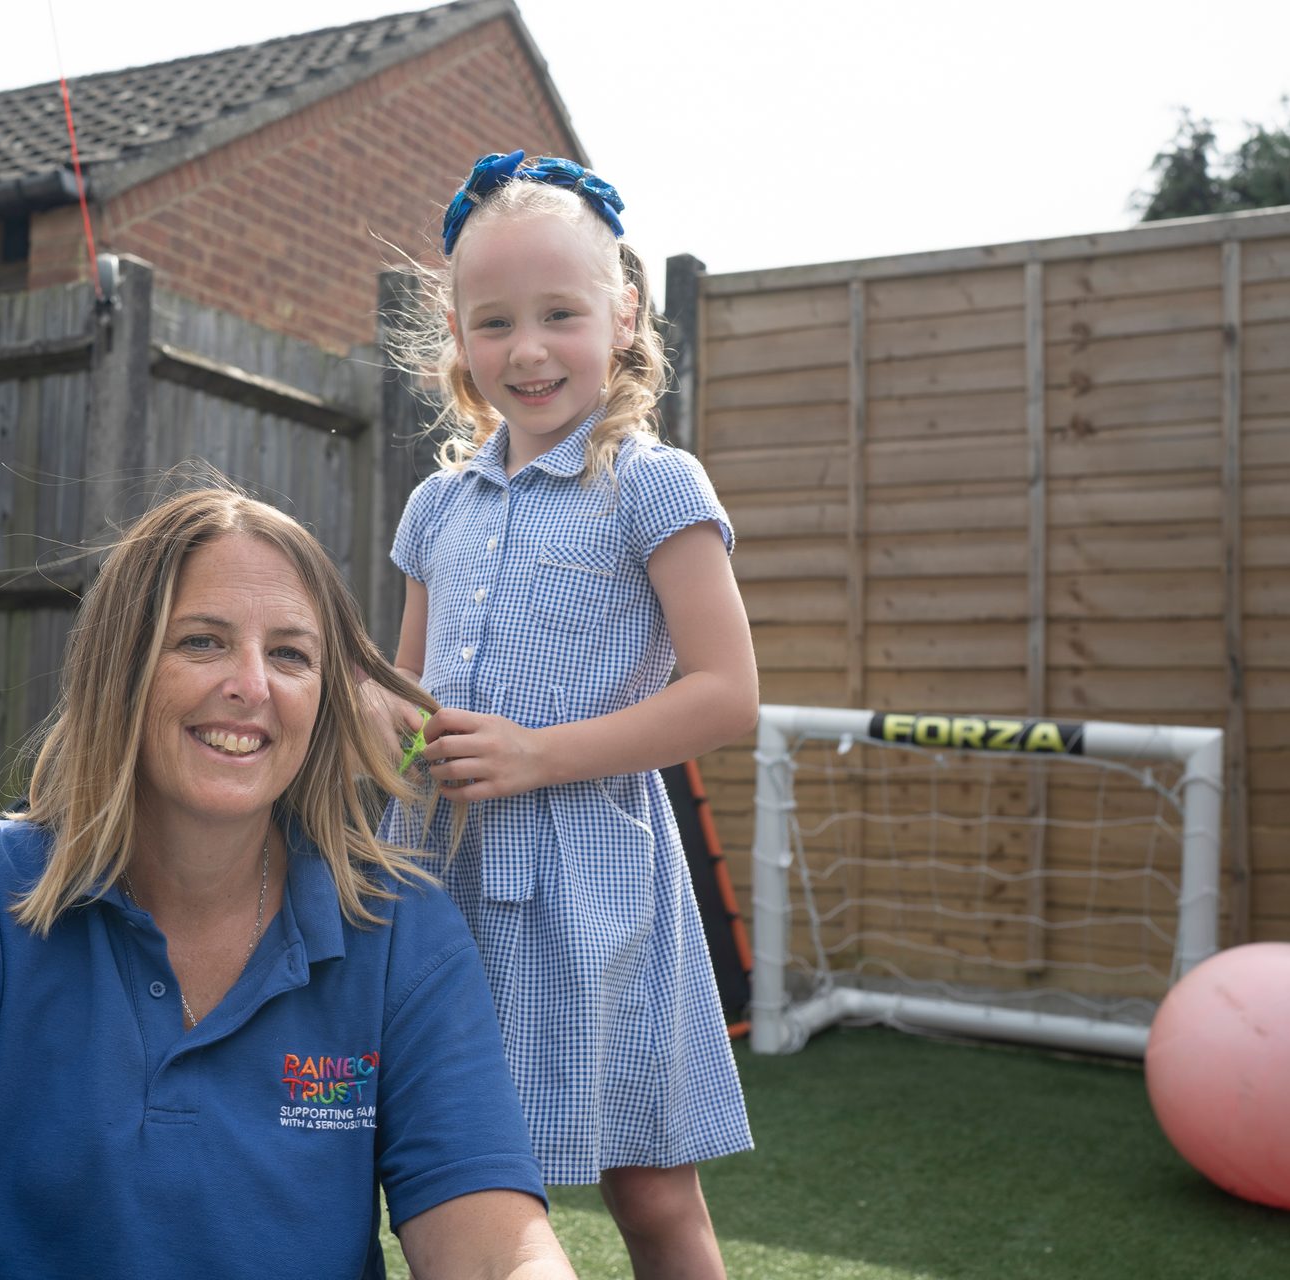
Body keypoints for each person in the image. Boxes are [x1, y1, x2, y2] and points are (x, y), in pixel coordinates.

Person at [0, 487, 576, 1280]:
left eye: (290, 654)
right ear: (120, 668)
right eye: (202, 641)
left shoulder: (399, 931)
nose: (252, 685)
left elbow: (496, 1249)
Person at [367, 151, 761, 1279]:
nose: (527, 349)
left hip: (596, 881)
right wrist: (359, 717)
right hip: (437, 875)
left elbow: (725, 694)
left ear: (623, 312)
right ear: (455, 330)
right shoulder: (434, 503)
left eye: (560, 313)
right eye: (494, 322)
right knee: (425, 1165)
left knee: (652, 1190)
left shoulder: (654, 482)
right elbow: (406, 699)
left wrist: (538, 753)